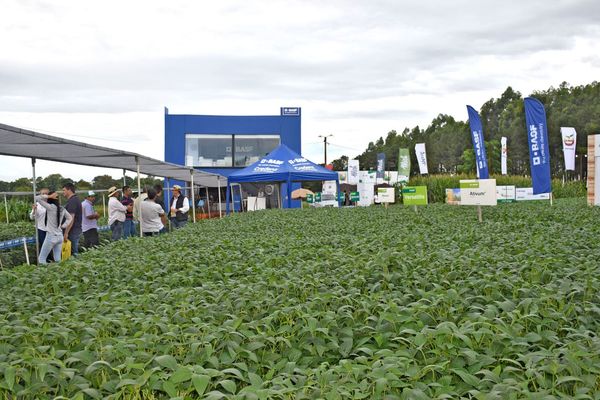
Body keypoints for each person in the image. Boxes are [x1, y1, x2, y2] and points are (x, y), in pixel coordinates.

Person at [35, 191, 72, 264]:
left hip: (51, 236)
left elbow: (36, 198)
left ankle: (46, 275)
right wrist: (63, 226)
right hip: (60, 236)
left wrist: (49, 196)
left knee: (41, 259)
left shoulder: (50, 207)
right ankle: (61, 273)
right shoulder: (62, 208)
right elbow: (70, 218)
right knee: (58, 259)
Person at [30, 188, 53, 262]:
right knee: (43, 245)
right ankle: (43, 262)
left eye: (46, 193)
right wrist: (34, 210)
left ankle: (49, 261)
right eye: (43, 193)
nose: (44, 195)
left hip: (50, 229)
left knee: (50, 245)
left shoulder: (51, 204)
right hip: (41, 229)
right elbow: (31, 217)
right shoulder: (37, 204)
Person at [62, 182, 82, 256]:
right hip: (74, 230)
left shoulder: (73, 201)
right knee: (71, 252)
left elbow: (71, 218)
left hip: (72, 231)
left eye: (64, 190)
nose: (63, 192)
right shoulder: (74, 199)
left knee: (73, 252)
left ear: (69, 190)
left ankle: (76, 266)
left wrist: (66, 233)